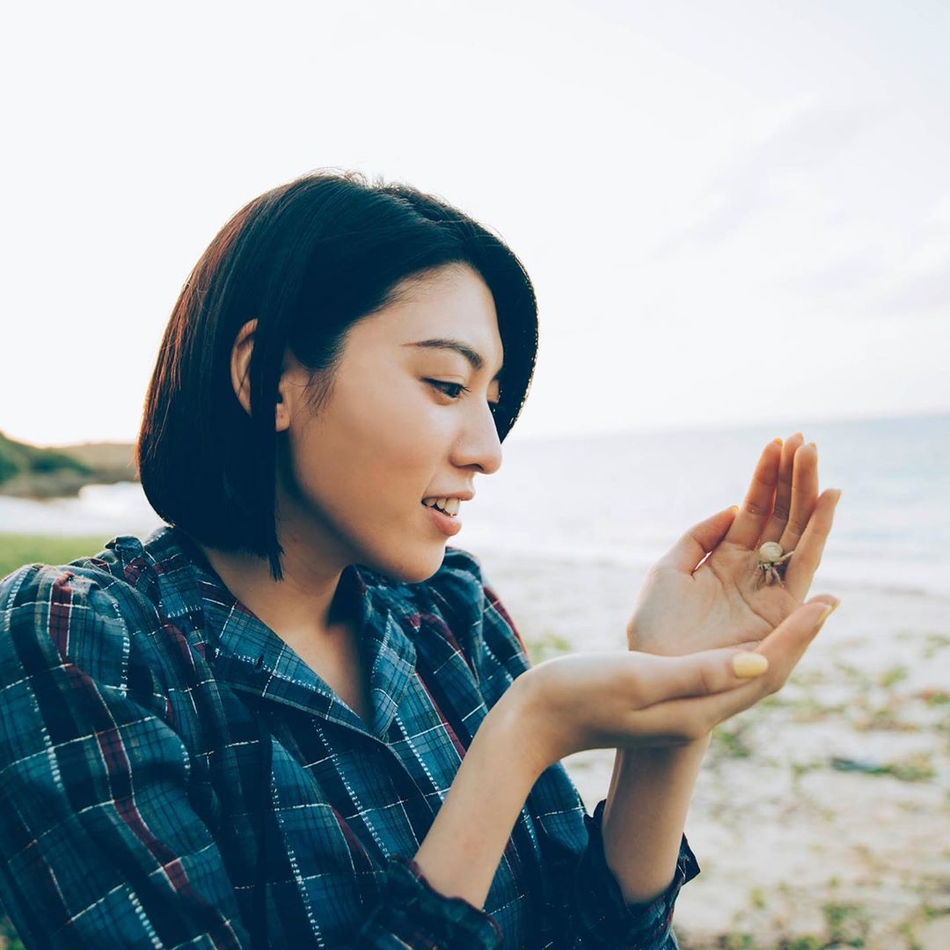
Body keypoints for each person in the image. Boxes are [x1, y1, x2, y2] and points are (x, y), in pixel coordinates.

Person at [0, 170, 840, 949]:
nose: (487, 448)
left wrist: (672, 707)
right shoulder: (79, 643)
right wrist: (522, 738)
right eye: (445, 384)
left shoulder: (450, 616)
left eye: (493, 401)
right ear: (270, 378)